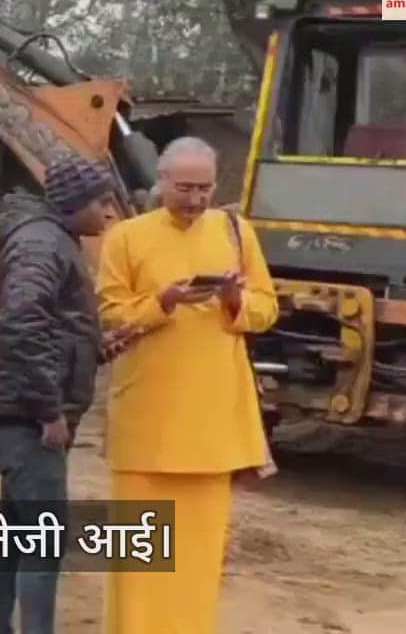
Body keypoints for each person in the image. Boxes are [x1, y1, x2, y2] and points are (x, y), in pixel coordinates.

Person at [94, 136, 279, 633]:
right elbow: (110, 314)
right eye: (184, 188)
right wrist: (164, 302)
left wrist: (236, 301)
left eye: (205, 188)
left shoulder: (237, 231)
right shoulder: (127, 238)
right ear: (161, 182)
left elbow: (268, 308)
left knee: (197, 558)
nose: (196, 199)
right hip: (147, 422)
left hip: (212, 425)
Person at [0, 152, 131, 634]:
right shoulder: (44, 246)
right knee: (43, 544)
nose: (109, 211)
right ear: (73, 201)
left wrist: (98, 348)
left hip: (14, 417)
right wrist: (48, 411)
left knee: (12, 541)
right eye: (102, 200)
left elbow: (49, 330)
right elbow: (21, 324)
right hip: (27, 423)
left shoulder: (49, 240)